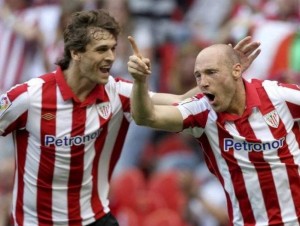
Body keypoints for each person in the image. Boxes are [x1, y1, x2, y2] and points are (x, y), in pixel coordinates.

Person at [0, 8, 260, 225]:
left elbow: (181, 101)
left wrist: (225, 73)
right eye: (101, 50)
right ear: (76, 53)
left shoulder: (117, 91)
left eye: (113, 49)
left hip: (94, 219)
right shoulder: (29, 96)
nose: (111, 57)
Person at [128, 42, 300, 225]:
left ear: (236, 71)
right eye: (198, 76)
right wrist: (139, 81)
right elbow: (146, 117)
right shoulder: (202, 111)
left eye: (211, 72)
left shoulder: (277, 96)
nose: (203, 82)